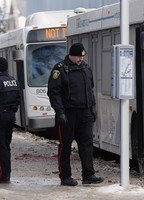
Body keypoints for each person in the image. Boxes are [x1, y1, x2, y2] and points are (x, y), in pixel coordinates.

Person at [48, 43, 104, 186]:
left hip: (85, 112)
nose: (80, 59)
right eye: (78, 56)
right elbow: (54, 93)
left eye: (82, 56)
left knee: (87, 144)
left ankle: (88, 175)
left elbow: (90, 90)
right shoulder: (60, 69)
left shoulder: (86, 68)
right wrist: (59, 112)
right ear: (71, 55)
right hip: (68, 113)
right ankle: (65, 177)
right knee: (65, 145)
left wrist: (92, 108)